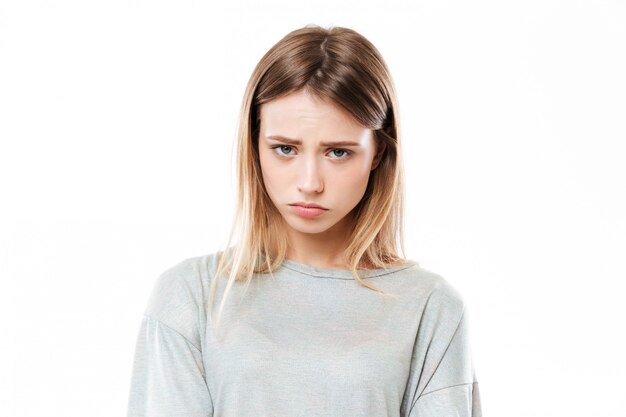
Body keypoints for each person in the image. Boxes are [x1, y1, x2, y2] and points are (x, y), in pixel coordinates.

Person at [125, 24, 482, 417]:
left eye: (338, 153)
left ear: (378, 152)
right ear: (254, 146)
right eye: (285, 149)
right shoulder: (190, 296)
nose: (310, 183)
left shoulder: (431, 308)